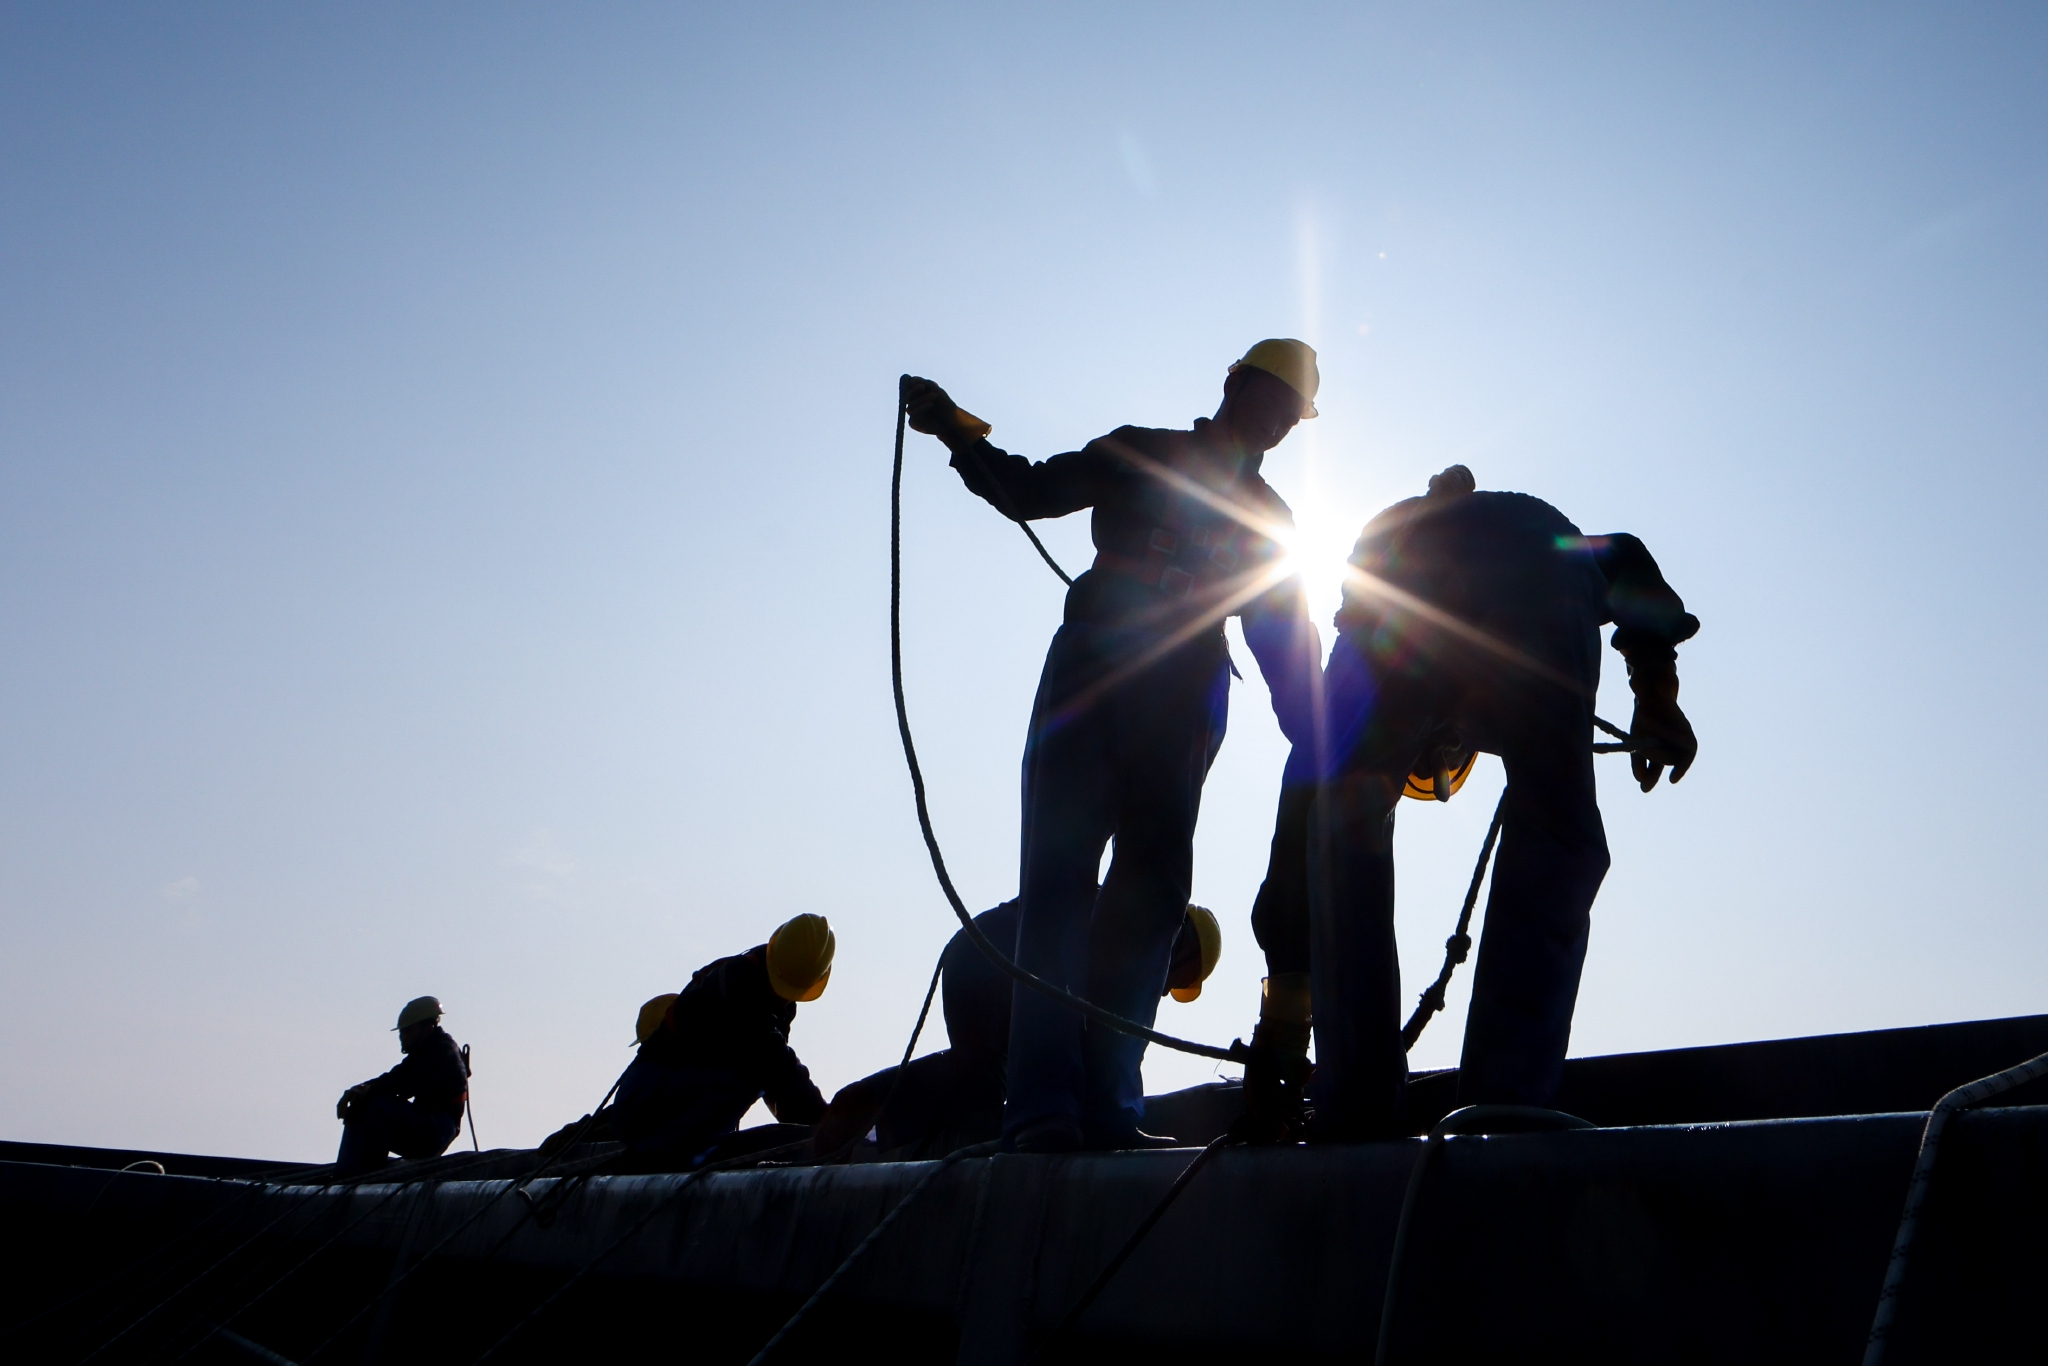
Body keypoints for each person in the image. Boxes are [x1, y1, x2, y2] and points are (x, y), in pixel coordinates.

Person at [902, 341, 1322, 1152]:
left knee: (1151, 896)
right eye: (1269, 399)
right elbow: (1030, 489)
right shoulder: (1142, 451)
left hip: (1184, 694)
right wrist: (957, 432)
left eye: (1288, 413)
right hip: (1097, 668)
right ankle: (1042, 1109)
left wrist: (1334, 739)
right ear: (1234, 384)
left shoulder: (1270, 520)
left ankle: (1107, 1109)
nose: (1275, 420)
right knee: (1058, 886)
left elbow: (1284, 647)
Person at [1248, 463, 1698, 1142]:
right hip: (1534, 568)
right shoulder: (1524, 540)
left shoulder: (1362, 667)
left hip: (1402, 596)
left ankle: (1356, 1106)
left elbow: (1302, 835)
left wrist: (1283, 1032)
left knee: (1341, 830)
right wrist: (1656, 693)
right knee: (1557, 831)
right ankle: (1504, 1102)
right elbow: (1625, 554)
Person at [813, 900, 1224, 1158]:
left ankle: (871, 1120)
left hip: (977, 949)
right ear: (1186, 949)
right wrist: (1112, 1122)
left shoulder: (1120, 908)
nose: (1166, 990)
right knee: (984, 1074)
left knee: (979, 1082)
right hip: (1001, 958)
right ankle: (866, 1113)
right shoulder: (1146, 934)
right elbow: (1113, 1041)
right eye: (1180, 980)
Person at [608, 914, 833, 1169]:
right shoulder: (737, 985)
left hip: (653, 1102)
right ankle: (663, 1161)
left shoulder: (775, 1002)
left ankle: (675, 1155)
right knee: (750, 1077)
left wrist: (810, 1131)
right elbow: (775, 1064)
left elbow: (779, 1083)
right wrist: (826, 1122)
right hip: (642, 1101)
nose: (784, 996)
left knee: (754, 1076)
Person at [335, 996, 469, 1175]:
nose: (402, 1037)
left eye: (408, 1031)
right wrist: (360, 1090)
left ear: (428, 1027)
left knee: (377, 1105)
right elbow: (396, 1077)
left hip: (438, 1128)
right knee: (363, 1105)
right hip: (429, 1124)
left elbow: (402, 1083)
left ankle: (358, 1173)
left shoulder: (441, 1052)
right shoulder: (427, 1051)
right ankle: (348, 1172)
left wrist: (363, 1091)